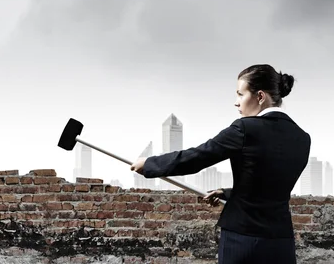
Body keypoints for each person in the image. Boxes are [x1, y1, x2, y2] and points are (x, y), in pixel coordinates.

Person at [130, 64, 310, 264]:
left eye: (240, 95)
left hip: (243, 239)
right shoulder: (302, 138)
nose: (236, 103)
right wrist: (228, 193)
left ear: (260, 96)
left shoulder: (244, 128)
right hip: (281, 242)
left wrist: (149, 164)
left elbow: (198, 156)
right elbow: (270, 185)